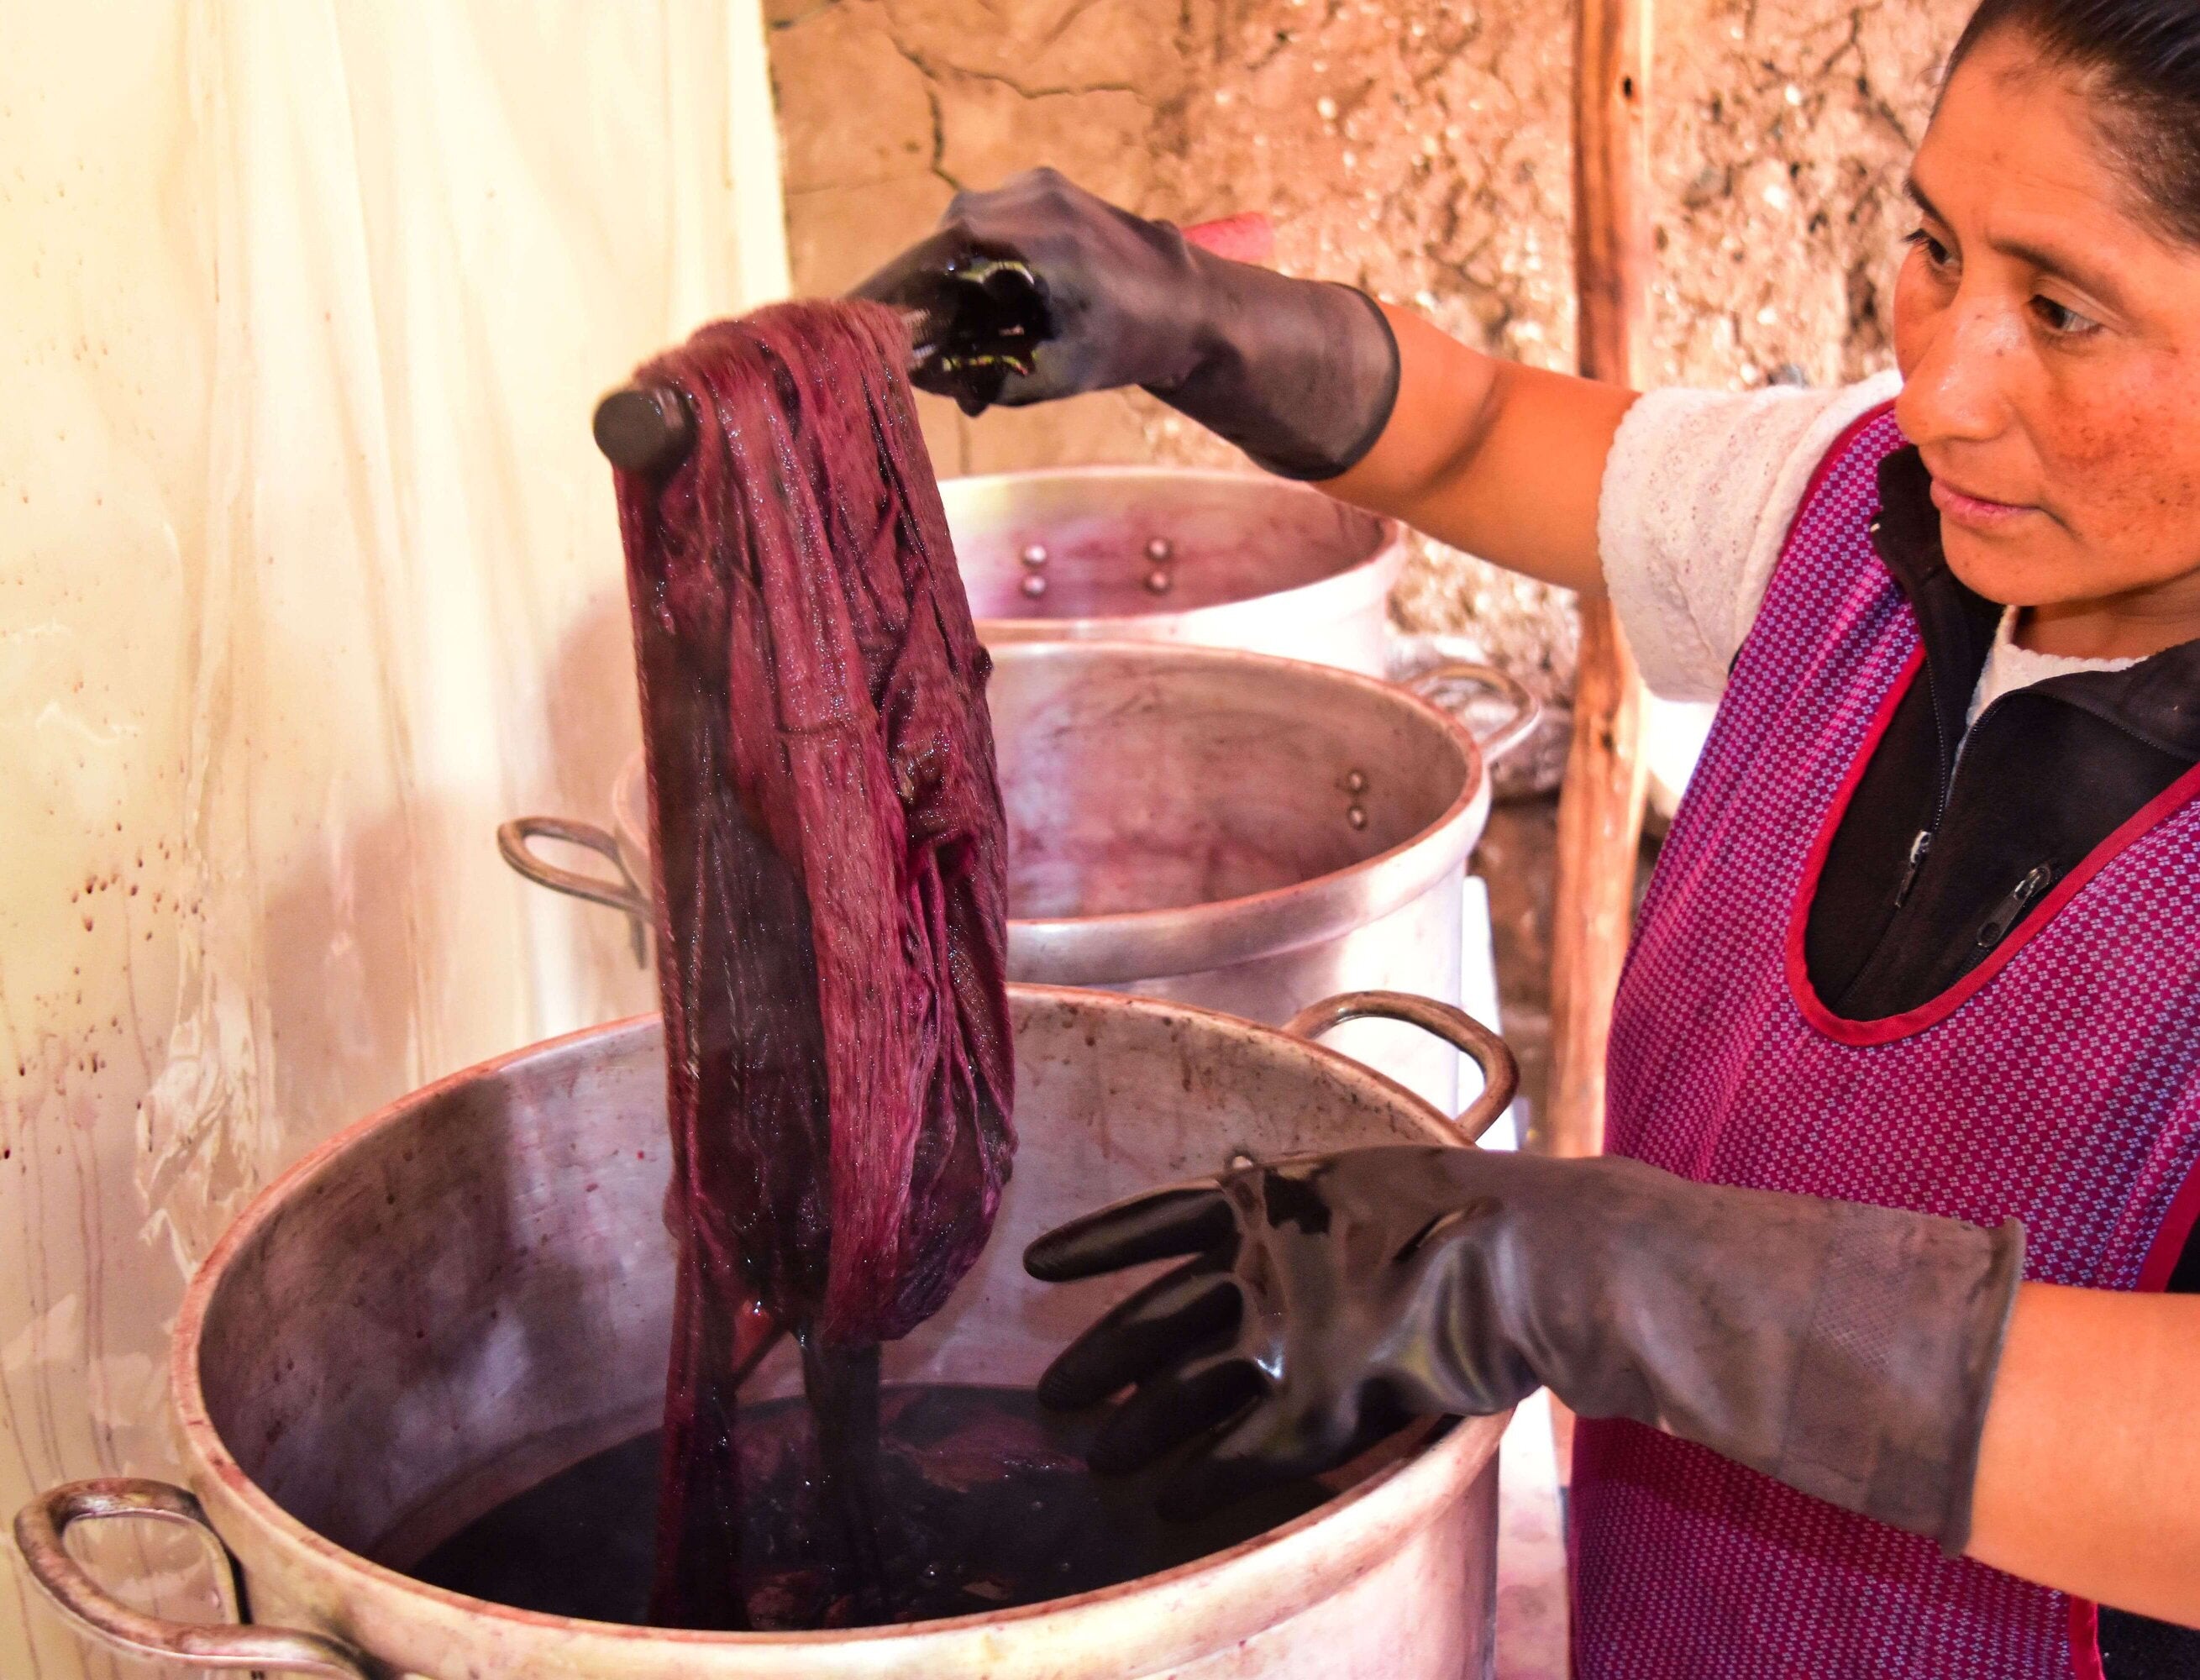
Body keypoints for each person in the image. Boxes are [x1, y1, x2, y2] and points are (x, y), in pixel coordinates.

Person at [856, 0, 2200, 1673]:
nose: (1937, 387)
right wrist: (1187, 316)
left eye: (2060, 312)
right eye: (1931, 246)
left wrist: (1583, 1272)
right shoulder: (1856, 517)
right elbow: (1491, 433)